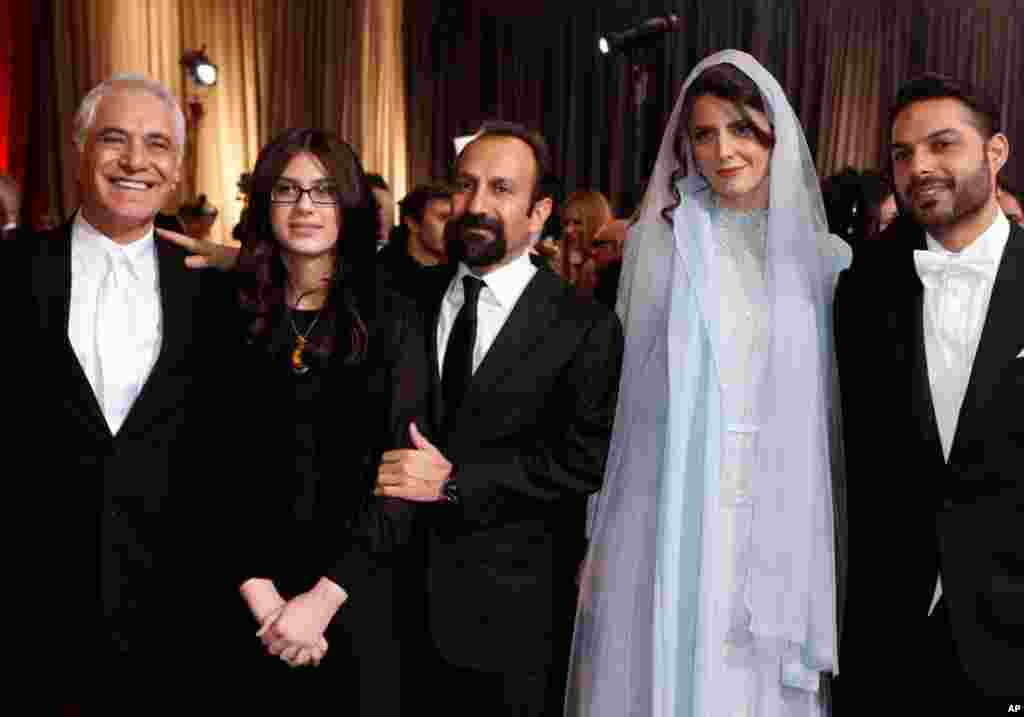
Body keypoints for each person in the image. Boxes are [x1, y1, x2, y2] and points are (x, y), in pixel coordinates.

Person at [567, 50, 849, 717]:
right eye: (704, 133)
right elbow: (627, 398)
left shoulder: (823, 258)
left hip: (780, 502)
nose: (724, 150)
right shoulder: (660, 244)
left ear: (773, 134)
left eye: (741, 129)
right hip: (676, 498)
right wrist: (600, 530)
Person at [375, 121, 624, 717]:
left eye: (501, 189)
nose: (477, 204)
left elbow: (583, 459)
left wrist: (456, 483)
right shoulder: (402, 301)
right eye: (466, 185)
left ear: (539, 213)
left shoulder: (583, 327)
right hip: (393, 612)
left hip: (511, 626)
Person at [5, 74, 233, 708]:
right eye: (115, 139)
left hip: (178, 616)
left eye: (157, 144)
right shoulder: (11, 270)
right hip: (30, 614)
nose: (136, 161)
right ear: (79, 149)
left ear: (178, 167)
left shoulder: (219, 291)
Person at [836, 73, 1022, 704]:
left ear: (995, 152)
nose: (919, 167)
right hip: (886, 633)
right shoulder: (862, 290)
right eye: (902, 154)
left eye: (942, 145)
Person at [378, 182, 453, 295]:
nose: (452, 227)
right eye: (443, 218)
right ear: (413, 223)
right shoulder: (378, 276)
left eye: (454, 219)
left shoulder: (462, 275)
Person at [558, 189, 612, 294]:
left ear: (596, 222)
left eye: (577, 223)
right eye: (566, 223)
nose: (568, 230)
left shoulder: (604, 267)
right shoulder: (564, 259)